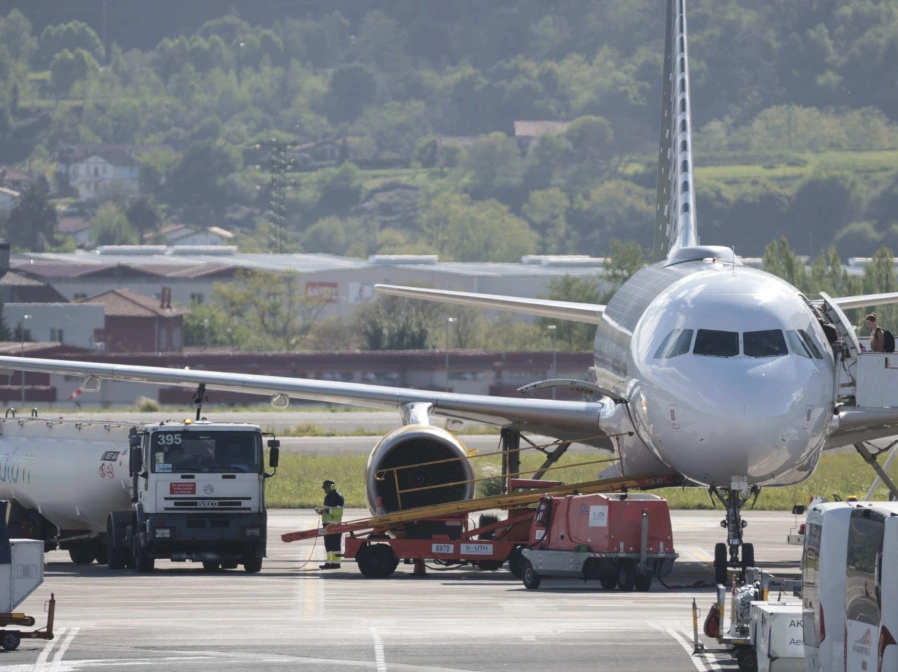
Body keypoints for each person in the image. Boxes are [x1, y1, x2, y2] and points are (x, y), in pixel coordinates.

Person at [316, 480, 344, 569]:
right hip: (327, 525)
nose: (325, 490)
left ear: (331, 487)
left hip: (335, 525)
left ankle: (336, 563)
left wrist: (326, 511)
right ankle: (329, 562)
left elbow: (338, 511)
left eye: (326, 488)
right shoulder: (327, 497)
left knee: (335, 544)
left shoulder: (338, 497)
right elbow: (327, 508)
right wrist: (321, 511)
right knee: (328, 544)